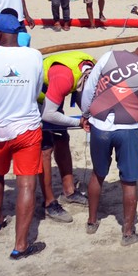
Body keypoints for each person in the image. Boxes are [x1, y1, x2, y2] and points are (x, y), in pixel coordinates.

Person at [0, 13, 47, 259]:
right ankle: (21, 245)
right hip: (26, 126)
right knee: (26, 181)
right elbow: (37, 89)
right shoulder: (34, 55)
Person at [80, 40, 138, 246]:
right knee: (129, 180)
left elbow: (90, 88)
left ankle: (91, 222)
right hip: (127, 129)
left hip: (99, 125)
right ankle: (127, 233)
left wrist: (85, 114)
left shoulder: (109, 56)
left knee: (98, 174)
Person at [37, 52, 95, 223]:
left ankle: (69, 192)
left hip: (54, 92)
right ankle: (49, 203)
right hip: (36, 101)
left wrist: (90, 115)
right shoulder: (65, 78)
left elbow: (83, 99)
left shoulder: (92, 68)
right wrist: (78, 123)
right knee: (45, 149)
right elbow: (48, 115)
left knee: (62, 139)